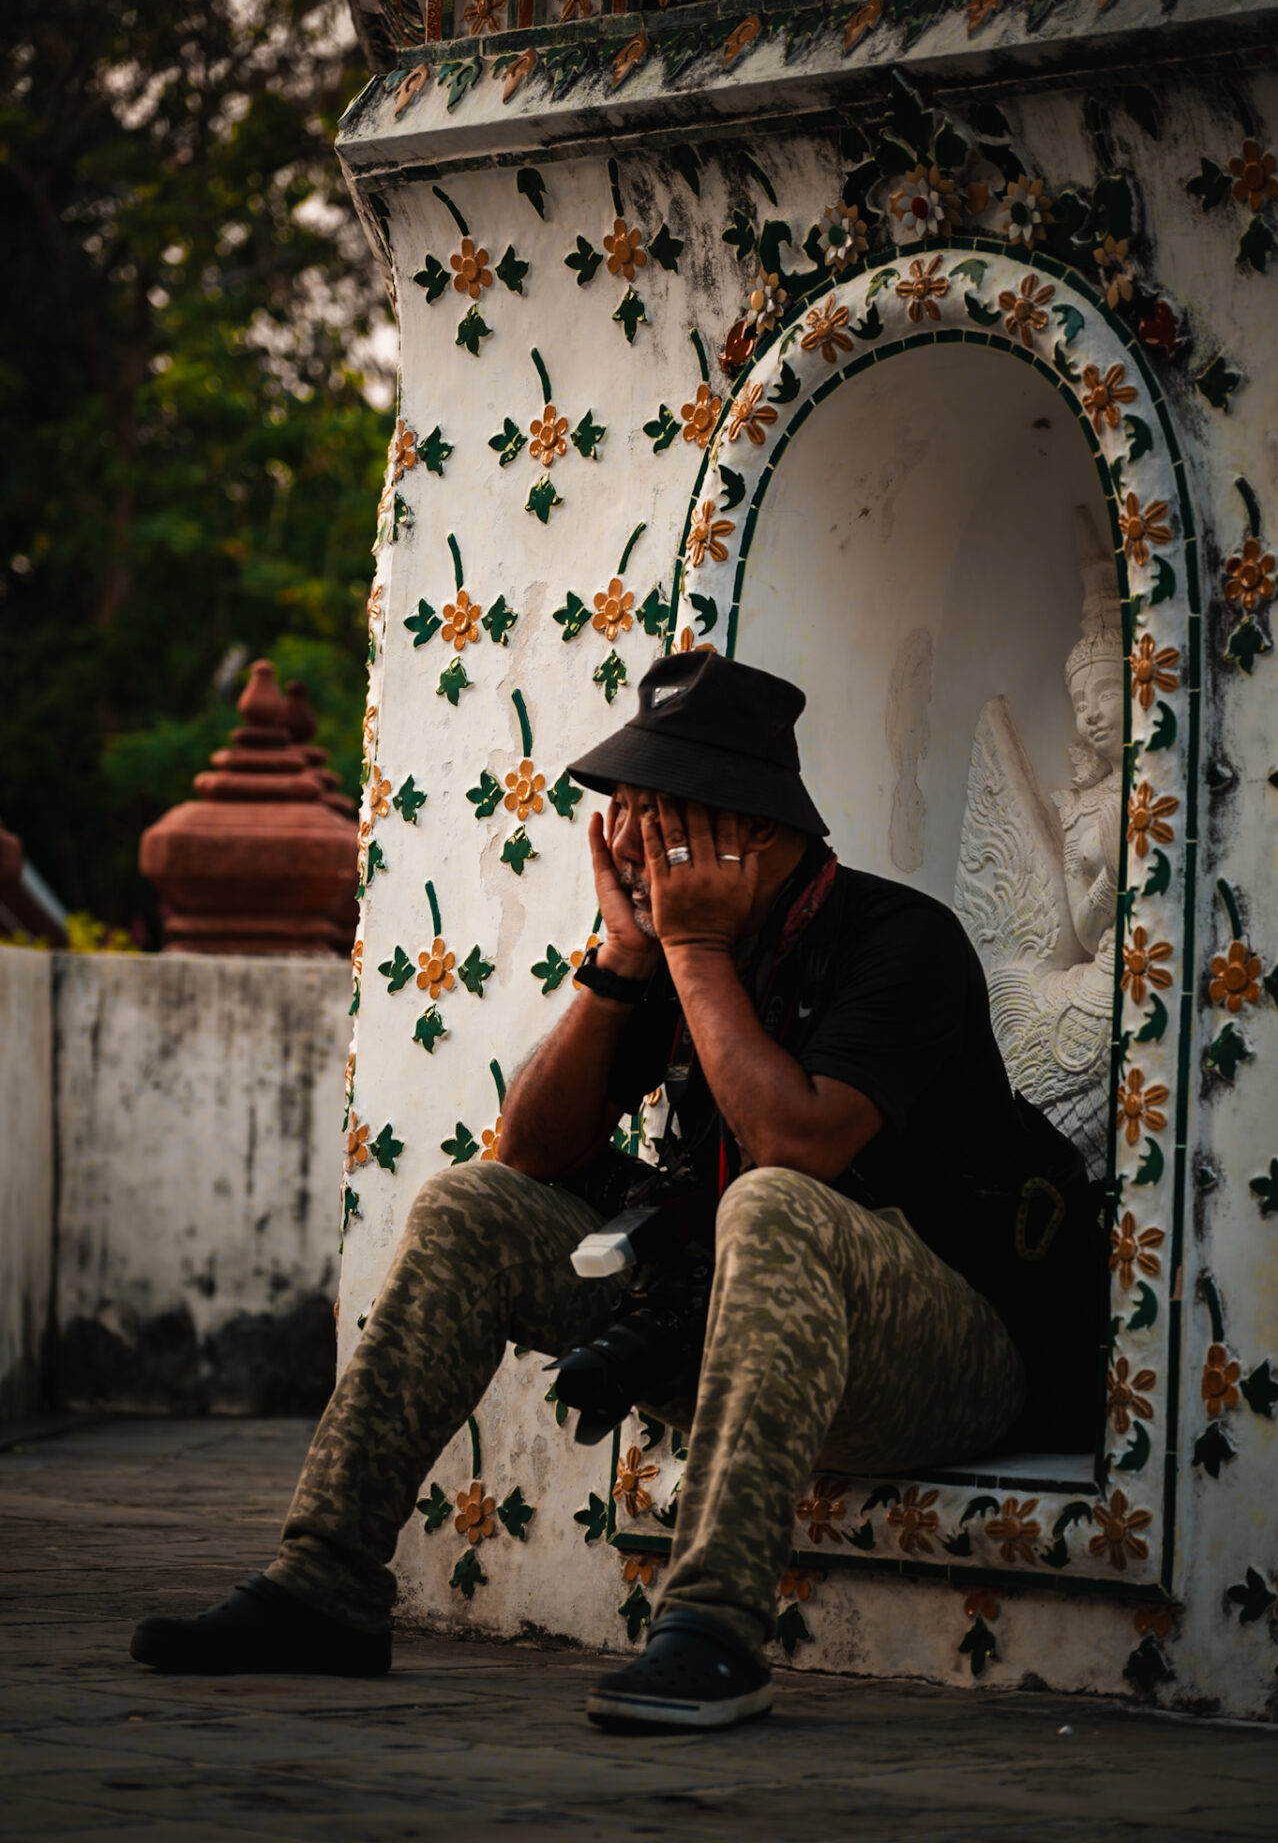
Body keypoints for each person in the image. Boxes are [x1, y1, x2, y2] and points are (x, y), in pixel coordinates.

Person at [131, 653, 1102, 1730]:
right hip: (731, 1332)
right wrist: (625, 960)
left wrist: (692, 946)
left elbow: (800, 1143)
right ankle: (324, 1584)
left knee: (772, 1203)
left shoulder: (901, 941)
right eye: (624, 813)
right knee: (469, 1206)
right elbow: (530, 1151)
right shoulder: (681, 952)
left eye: (658, 815)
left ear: (755, 830)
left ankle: (712, 1633)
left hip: (946, 1359)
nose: (629, 842)